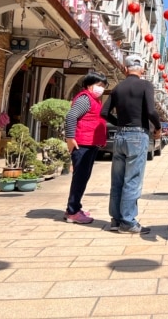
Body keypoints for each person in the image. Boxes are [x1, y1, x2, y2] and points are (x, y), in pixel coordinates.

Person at [101, 54, 161, 234]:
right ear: (142, 70)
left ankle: (116, 219)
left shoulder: (118, 88)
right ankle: (128, 221)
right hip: (137, 135)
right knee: (132, 179)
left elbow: (104, 113)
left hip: (120, 136)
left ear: (125, 69)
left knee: (117, 179)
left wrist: (118, 122)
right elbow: (151, 111)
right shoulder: (145, 85)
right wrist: (157, 128)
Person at [63, 72, 108, 224]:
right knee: (80, 178)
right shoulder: (85, 98)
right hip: (82, 143)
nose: (101, 89)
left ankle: (74, 207)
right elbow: (71, 116)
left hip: (90, 143)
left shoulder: (94, 100)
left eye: (103, 86)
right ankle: (73, 212)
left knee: (82, 177)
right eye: (99, 85)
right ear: (89, 85)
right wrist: (70, 137)